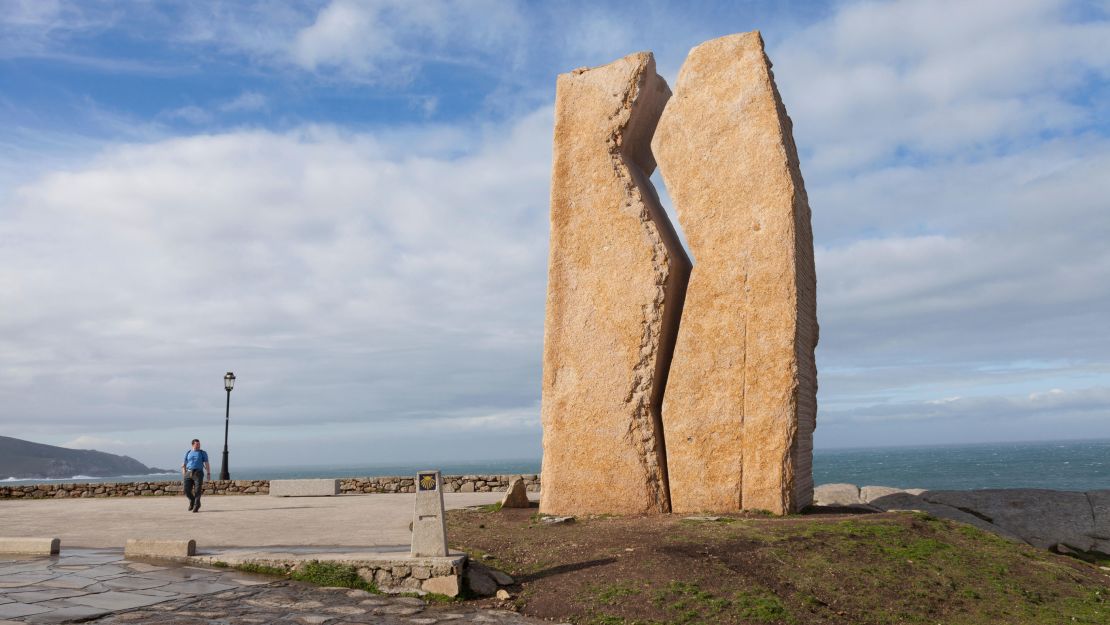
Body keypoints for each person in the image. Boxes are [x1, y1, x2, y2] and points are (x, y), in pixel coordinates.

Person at [181, 438, 211, 513]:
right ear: (193, 445)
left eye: (199, 444)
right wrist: (184, 473)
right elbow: (183, 464)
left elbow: (206, 463)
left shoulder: (202, 453)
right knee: (186, 490)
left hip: (198, 473)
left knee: (197, 490)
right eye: (197, 444)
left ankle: (196, 505)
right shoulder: (188, 453)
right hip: (188, 472)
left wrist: (208, 473)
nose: (198, 446)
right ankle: (192, 501)